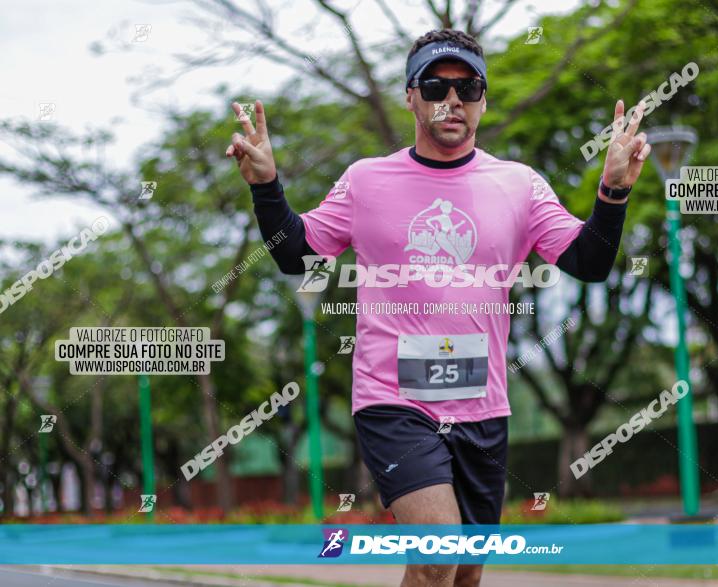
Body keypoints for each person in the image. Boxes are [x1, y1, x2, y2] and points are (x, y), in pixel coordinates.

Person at [227, 28, 650, 587]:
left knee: (466, 573)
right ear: (410, 95)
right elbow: (294, 254)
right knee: (437, 557)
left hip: (483, 405)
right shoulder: (366, 181)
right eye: (435, 85)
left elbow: (588, 262)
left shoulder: (519, 185)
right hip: (393, 402)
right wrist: (266, 187)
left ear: (483, 99)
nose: (452, 99)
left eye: (468, 87)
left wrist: (612, 194)